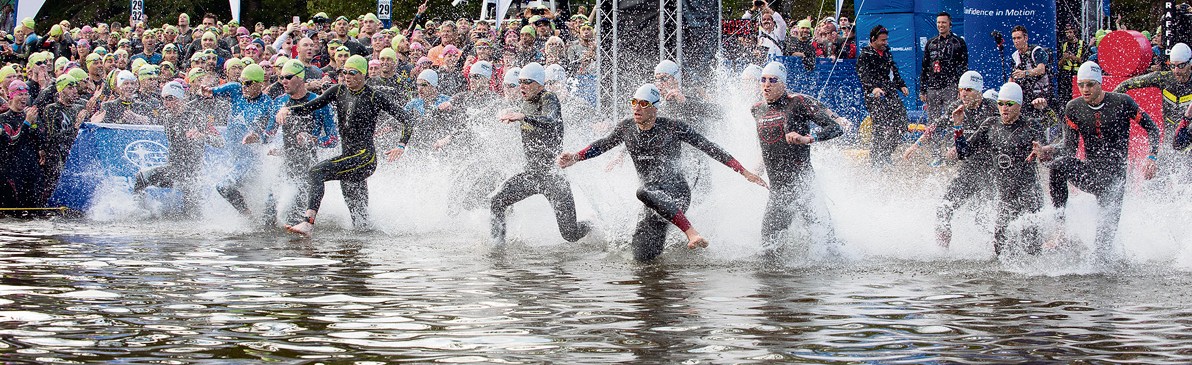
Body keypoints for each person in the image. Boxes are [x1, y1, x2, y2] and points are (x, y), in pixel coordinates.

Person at [558, 83, 767, 261]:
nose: (636, 108)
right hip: (652, 201)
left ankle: (691, 233)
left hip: (676, 193)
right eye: (634, 103)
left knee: (642, 191)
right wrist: (576, 157)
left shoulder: (673, 127)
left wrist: (744, 172)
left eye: (643, 104)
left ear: (655, 108)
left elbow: (709, 147)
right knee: (642, 256)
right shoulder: (626, 128)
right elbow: (602, 144)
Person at [1031, 62, 1160, 262]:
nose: (1085, 89)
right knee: (1058, 166)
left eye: (1090, 84)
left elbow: (1152, 129)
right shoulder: (1074, 108)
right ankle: (1060, 229)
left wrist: (1151, 157)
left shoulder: (1122, 102)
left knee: (1102, 251)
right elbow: (1069, 148)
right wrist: (1047, 150)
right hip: (1090, 173)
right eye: (1081, 85)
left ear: (1099, 83)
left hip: (1114, 182)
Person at [278, 55, 414, 236]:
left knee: (316, 172)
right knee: (360, 221)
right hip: (348, 158)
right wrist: (288, 109)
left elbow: (407, 119)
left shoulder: (374, 96)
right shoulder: (338, 91)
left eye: (352, 72)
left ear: (363, 75)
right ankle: (363, 253)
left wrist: (401, 145)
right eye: (344, 72)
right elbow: (311, 106)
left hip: (365, 159)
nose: (347, 76)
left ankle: (308, 223)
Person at [749, 61, 846, 255]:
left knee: (829, 247)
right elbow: (766, 143)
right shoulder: (757, 109)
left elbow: (835, 128)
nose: (766, 85)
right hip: (778, 191)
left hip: (803, 186)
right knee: (768, 250)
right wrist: (756, 169)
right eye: (763, 80)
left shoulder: (797, 102)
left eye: (773, 80)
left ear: (783, 84)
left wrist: (807, 138)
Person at [490, 62, 590, 245]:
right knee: (497, 201)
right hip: (533, 174)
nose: (521, 86)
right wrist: (508, 113)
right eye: (519, 82)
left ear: (539, 83)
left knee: (570, 234)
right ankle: (497, 247)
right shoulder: (524, 103)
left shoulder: (549, 97)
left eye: (526, 82)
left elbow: (551, 120)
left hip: (553, 177)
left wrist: (523, 117)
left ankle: (592, 226)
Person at [955, 82, 1045, 255]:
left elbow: (1049, 152)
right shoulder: (991, 125)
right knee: (1000, 249)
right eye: (1001, 104)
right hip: (1006, 195)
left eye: (1009, 104)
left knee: (1031, 249)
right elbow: (963, 153)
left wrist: (1042, 152)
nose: (1004, 108)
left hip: (1029, 193)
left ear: (1019, 105)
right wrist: (958, 127)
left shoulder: (1030, 125)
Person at [261, 59, 337, 226]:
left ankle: (301, 250)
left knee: (294, 212)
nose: (283, 81)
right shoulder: (280, 102)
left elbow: (333, 139)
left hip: (308, 166)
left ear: (301, 78)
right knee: (268, 212)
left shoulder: (319, 102)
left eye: (288, 77)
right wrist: (258, 137)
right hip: (287, 163)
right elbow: (268, 134)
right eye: (281, 77)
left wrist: (313, 140)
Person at [132, 82, 222, 216]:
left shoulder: (197, 116)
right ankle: (138, 211)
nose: (166, 103)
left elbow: (220, 142)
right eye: (163, 99)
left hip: (191, 173)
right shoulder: (166, 117)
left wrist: (202, 136)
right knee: (141, 177)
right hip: (173, 169)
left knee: (192, 214)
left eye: (170, 98)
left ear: (180, 99)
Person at [934, 71, 1000, 247]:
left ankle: (997, 250)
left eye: (968, 90)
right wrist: (915, 146)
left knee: (986, 215)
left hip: (993, 170)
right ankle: (941, 252)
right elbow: (938, 125)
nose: (963, 93)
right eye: (961, 89)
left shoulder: (992, 109)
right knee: (944, 207)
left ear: (978, 91)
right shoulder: (956, 107)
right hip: (970, 168)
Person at [200, 63, 274, 216]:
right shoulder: (236, 90)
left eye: (248, 83)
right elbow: (216, 91)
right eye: (242, 82)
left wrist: (257, 137)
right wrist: (209, 91)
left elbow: (270, 134)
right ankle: (251, 218)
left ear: (259, 83)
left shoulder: (267, 104)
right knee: (241, 191)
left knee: (224, 186)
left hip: (251, 160)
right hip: (234, 158)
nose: (244, 87)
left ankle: (249, 217)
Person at [857, 25, 909, 168]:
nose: (885, 43)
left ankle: (885, 153)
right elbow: (863, 75)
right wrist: (873, 88)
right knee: (879, 127)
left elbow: (894, 71)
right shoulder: (865, 55)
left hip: (890, 91)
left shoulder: (887, 53)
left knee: (902, 124)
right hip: (874, 95)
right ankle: (875, 159)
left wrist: (901, 85)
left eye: (886, 40)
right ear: (873, 39)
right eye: (882, 40)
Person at [919, 12, 968, 132]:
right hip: (932, 87)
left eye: (944, 22)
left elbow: (963, 67)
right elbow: (925, 67)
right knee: (933, 121)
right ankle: (934, 149)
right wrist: (922, 90)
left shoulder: (958, 42)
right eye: (939, 22)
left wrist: (961, 88)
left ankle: (950, 146)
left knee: (952, 118)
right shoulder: (931, 43)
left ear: (950, 24)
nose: (941, 25)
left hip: (950, 86)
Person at [0, 81, 44, 209]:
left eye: (26, 94)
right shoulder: (3, 119)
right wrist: (27, 123)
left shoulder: (30, 115)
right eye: (20, 94)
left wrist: (34, 124)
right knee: (14, 211)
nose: (24, 97)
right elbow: (12, 141)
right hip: (12, 172)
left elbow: (40, 140)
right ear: (11, 96)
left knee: (33, 211)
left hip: (31, 169)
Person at [1009, 26, 1053, 123]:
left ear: (1026, 38)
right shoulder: (1015, 56)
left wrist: (1026, 73)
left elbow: (1041, 69)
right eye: (1014, 38)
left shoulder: (1036, 51)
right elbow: (1012, 77)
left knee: (1047, 123)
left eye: (1019, 38)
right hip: (1026, 96)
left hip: (1043, 93)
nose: (1016, 41)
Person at [1058, 24, 1086, 104]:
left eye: (1070, 32)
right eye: (1066, 33)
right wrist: (1064, 58)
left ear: (1075, 33)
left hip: (1078, 75)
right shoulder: (1063, 45)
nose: (1068, 35)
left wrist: (1074, 58)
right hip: (1065, 76)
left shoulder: (1082, 44)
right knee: (1065, 97)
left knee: (1078, 96)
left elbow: (1086, 62)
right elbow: (1059, 64)